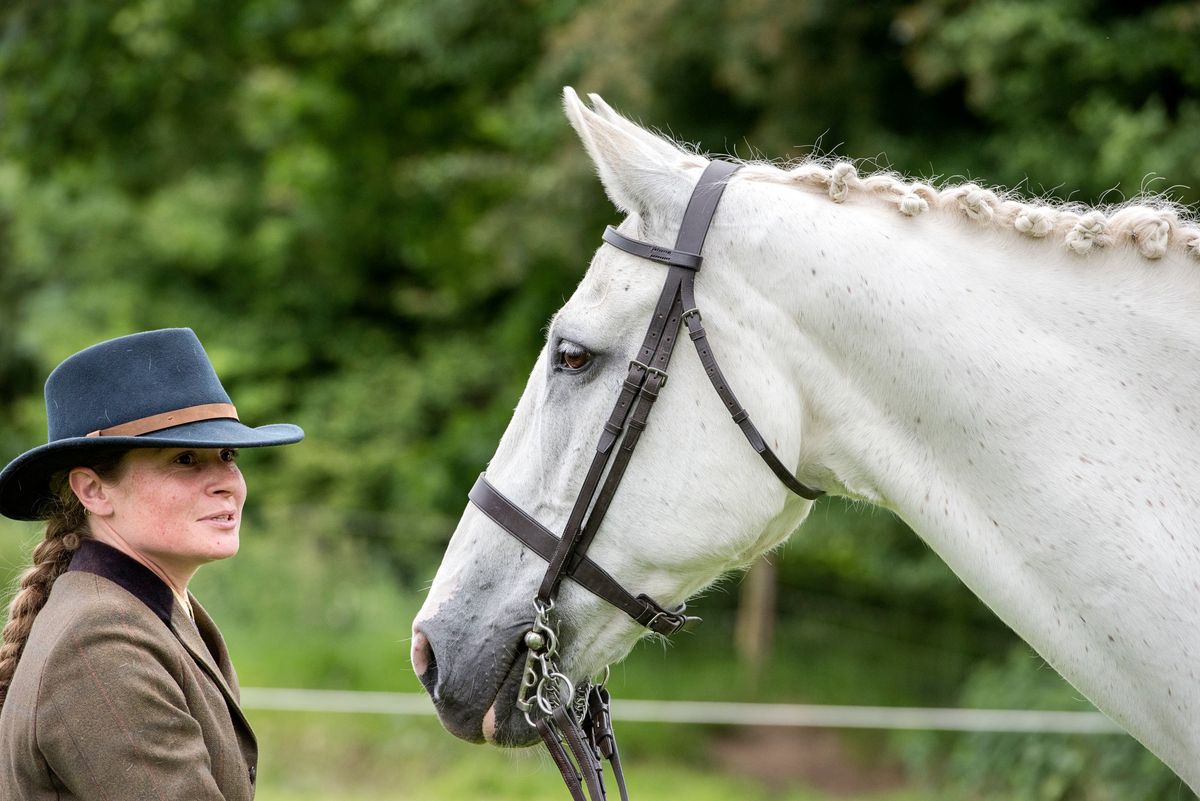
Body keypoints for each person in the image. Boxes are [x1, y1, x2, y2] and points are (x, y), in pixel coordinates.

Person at [0, 328, 303, 800]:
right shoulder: (99, 641)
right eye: (184, 459)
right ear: (94, 491)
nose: (227, 481)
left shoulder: (141, 608)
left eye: (228, 455)